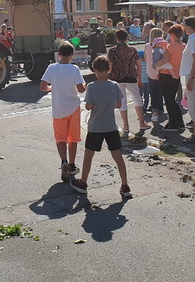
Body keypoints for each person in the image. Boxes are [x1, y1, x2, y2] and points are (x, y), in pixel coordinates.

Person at [69, 55, 131, 198]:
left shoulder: (91, 86)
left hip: (96, 127)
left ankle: (83, 182)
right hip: (111, 126)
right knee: (118, 156)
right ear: (109, 69)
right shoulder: (114, 85)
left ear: (94, 69)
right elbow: (119, 104)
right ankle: (125, 185)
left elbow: (88, 106)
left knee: (88, 156)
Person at [40, 41, 87, 182]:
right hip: (73, 108)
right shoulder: (74, 69)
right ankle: (72, 165)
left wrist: (51, 88)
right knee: (73, 138)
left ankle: (63, 161)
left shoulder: (52, 68)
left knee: (60, 138)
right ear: (72, 55)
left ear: (58, 54)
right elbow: (81, 89)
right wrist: (85, 84)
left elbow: (42, 86)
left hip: (58, 109)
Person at [108, 29, 147, 136]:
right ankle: (142, 123)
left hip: (117, 78)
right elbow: (138, 65)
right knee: (137, 98)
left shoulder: (112, 51)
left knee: (122, 100)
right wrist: (139, 78)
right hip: (131, 77)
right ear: (126, 38)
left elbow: (110, 66)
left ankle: (126, 126)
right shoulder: (133, 50)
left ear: (116, 39)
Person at [155, 24, 186, 130]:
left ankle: (173, 122)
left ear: (172, 34)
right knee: (172, 100)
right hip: (176, 74)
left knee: (169, 100)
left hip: (166, 75)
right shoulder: (184, 46)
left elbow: (164, 60)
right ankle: (179, 121)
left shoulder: (171, 46)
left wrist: (155, 64)